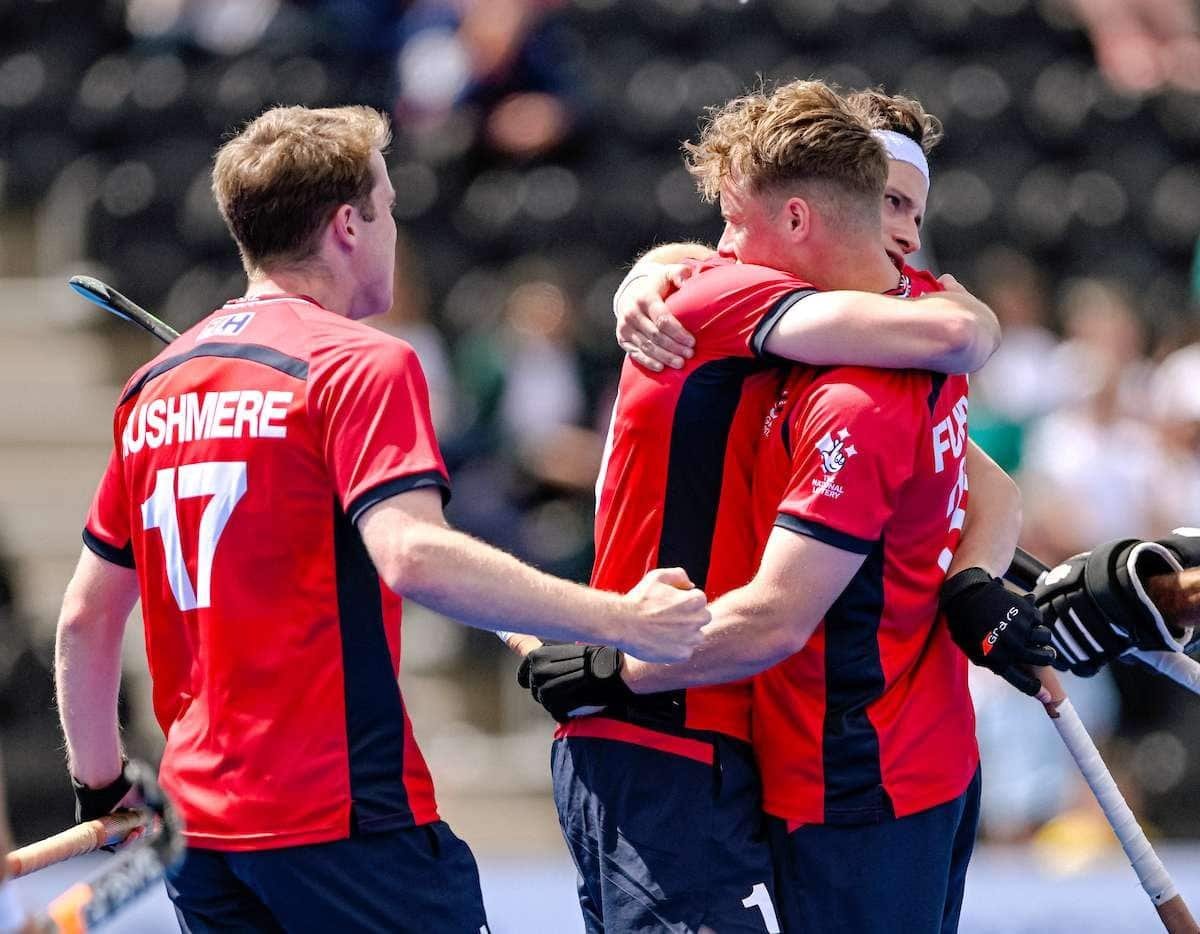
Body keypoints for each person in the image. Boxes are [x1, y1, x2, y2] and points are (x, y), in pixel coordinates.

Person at [52, 104, 712, 934]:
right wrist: (625, 620)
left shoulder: (154, 387)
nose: (395, 227)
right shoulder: (362, 362)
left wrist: (104, 786)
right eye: (389, 206)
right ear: (346, 225)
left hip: (204, 835)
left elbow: (85, 618)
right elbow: (414, 557)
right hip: (342, 820)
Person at [520, 85, 1055, 933]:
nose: (718, 248)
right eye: (889, 202)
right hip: (680, 720)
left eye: (913, 205)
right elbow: (950, 338)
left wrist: (974, 581)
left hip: (834, 759)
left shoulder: (873, 358)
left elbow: (988, 483)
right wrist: (645, 271)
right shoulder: (748, 305)